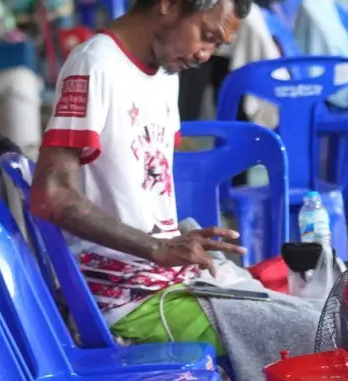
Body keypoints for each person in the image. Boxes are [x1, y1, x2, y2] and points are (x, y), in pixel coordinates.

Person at [31, 0, 256, 346]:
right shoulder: (95, 65)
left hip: (165, 279)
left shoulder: (166, 74)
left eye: (216, 46)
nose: (205, 55)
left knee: (308, 314)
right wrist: (156, 248)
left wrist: (169, 245)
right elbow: (52, 195)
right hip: (122, 296)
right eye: (206, 36)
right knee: (292, 335)